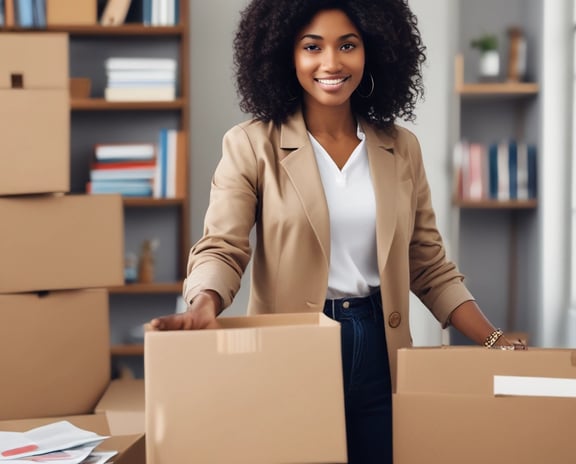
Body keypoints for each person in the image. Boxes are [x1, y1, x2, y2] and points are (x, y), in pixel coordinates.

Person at [150, 1, 523, 462]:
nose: (331, 63)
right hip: (294, 348)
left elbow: (426, 262)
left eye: (348, 45)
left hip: (380, 347)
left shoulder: (401, 148)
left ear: (373, 50)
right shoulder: (251, 144)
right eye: (312, 47)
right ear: (286, 54)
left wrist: (492, 338)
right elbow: (222, 247)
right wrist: (204, 304)